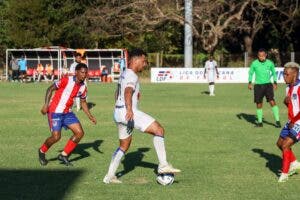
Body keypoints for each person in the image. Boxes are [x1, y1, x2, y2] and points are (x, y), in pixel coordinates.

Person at [103, 49, 181, 184]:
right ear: (135, 60)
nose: (145, 64)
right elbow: (127, 91)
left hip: (118, 113)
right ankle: (163, 166)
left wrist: (120, 107)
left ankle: (109, 176)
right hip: (128, 113)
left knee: (124, 145)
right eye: (143, 61)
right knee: (159, 130)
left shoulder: (124, 74)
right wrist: (129, 109)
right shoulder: (132, 75)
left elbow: (117, 93)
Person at [38, 63, 97, 166]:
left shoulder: (83, 87)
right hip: (55, 111)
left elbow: (83, 103)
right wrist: (46, 105)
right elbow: (50, 89)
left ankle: (64, 155)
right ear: (76, 72)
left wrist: (90, 115)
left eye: (86, 73)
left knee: (79, 133)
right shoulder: (66, 79)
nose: (84, 75)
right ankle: (42, 151)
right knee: (56, 137)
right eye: (82, 72)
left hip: (67, 112)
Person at [276, 62, 300, 182]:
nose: (284, 77)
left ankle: (285, 174)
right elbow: (291, 104)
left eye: (286, 74)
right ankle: (295, 163)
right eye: (283, 74)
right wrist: (286, 102)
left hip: (298, 122)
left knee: (286, 145)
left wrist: (294, 121)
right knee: (280, 144)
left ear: (294, 74)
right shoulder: (288, 87)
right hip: (291, 121)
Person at [248, 48, 281, 128]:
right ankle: (260, 123)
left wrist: (275, 82)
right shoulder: (254, 63)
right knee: (259, 104)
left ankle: (277, 121)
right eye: (260, 56)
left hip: (268, 85)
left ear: (266, 55)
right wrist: (250, 82)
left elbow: (274, 73)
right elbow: (251, 73)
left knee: (272, 101)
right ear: (258, 56)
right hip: (258, 86)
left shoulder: (270, 63)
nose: (261, 57)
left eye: (263, 55)